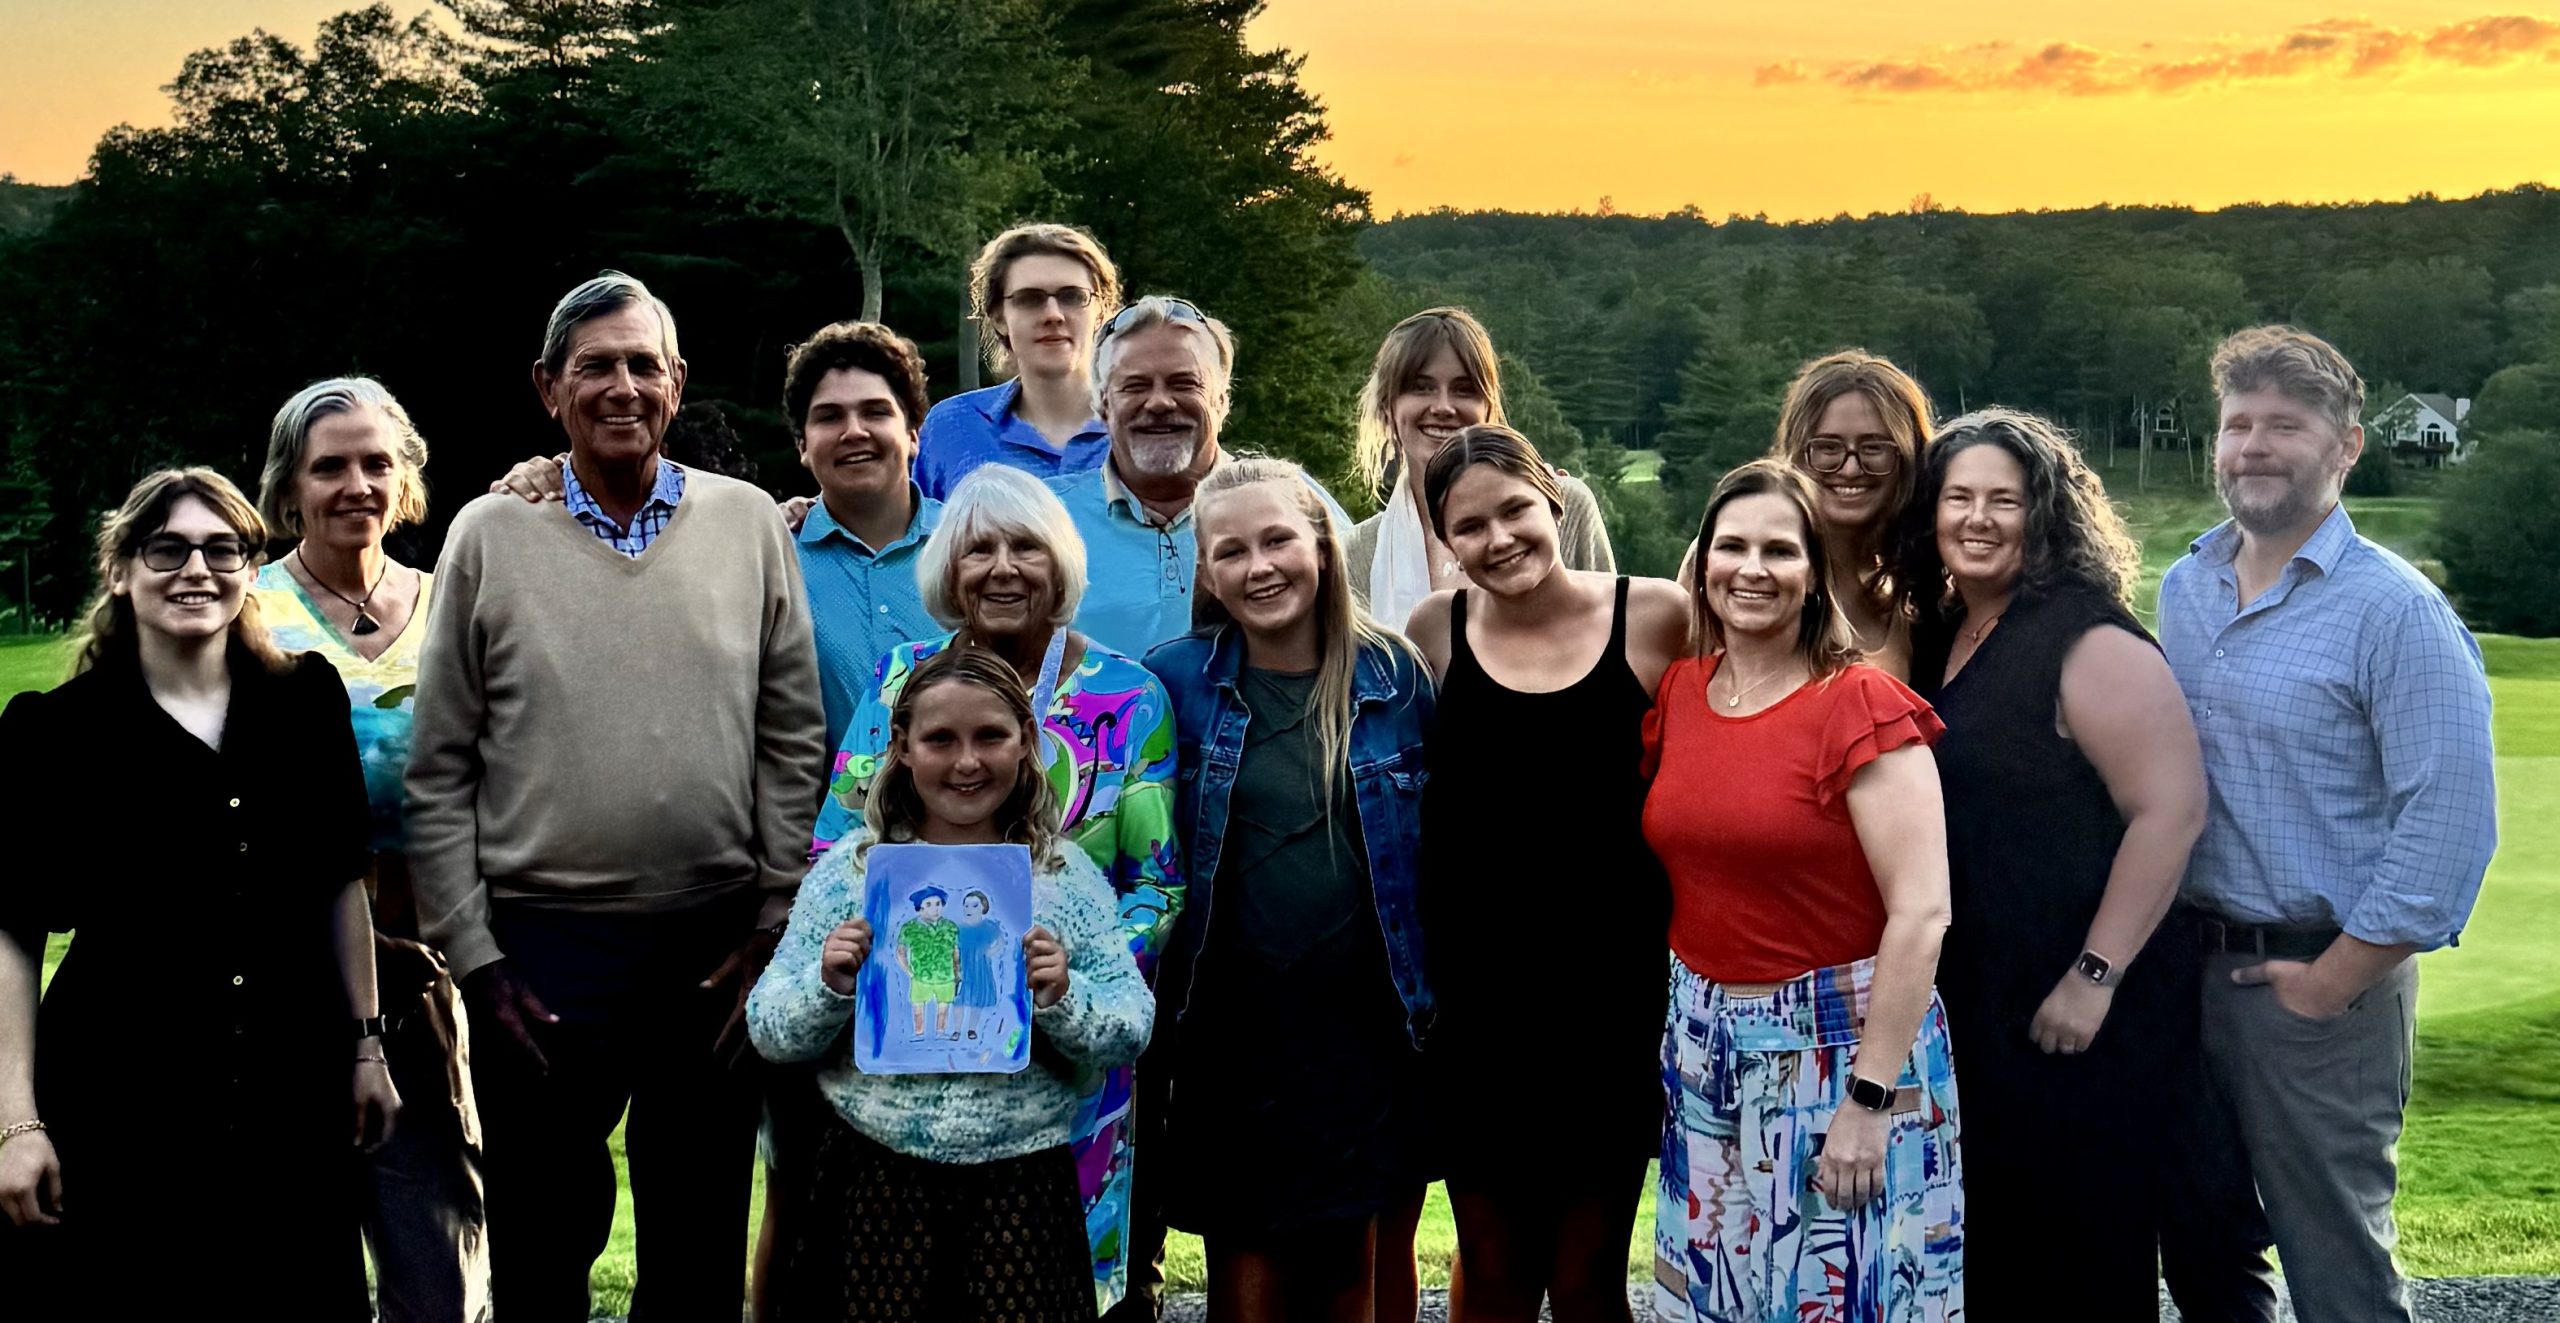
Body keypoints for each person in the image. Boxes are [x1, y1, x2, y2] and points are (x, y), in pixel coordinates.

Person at [406, 271, 827, 1321]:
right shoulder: (488, 534)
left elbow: (792, 735)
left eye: (644, 364)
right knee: (541, 1251)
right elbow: (440, 762)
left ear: (677, 382)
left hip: (713, 943)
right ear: (549, 387)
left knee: (697, 1250)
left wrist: (775, 915)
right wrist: (476, 957)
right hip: (541, 948)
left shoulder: (747, 524)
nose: (623, 386)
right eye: (596, 366)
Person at [2158, 327, 2496, 1323]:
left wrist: (2331, 981)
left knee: (2336, 1263)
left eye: (2285, 426)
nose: (2254, 447)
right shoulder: (2187, 586)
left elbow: (2448, 825)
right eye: (2238, 425)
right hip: (2187, 975)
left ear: (2346, 446)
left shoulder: (2395, 613)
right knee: (2206, 1246)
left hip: (2319, 984)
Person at [0, 468, 395, 1317]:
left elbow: (341, 884)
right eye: (167, 549)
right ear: (120, 570)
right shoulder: (53, 731)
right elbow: (14, 933)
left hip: (293, 1092)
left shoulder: (306, 702)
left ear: (250, 569)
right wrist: (17, 1122)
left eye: (223, 550)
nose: (196, 570)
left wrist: (368, 1047)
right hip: (121, 1102)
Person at [811, 462, 1182, 1314]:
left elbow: (1157, 887)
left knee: (1052, 1290)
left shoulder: (1129, 699)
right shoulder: (899, 679)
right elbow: (837, 847)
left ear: (1062, 563)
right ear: (949, 569)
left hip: (1064, 1052)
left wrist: (1064, 980)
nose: (1003, 568)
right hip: (911, 1052)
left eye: (1027, 547)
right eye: (979, 549)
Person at [1892, 408, 2205, 1318]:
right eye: (1958, 497)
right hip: (1981, 1002)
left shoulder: (2086, 637)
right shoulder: (1945, 630)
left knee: (2080, 1255)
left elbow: (2172, 809)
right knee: (1992, 1255)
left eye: (2005, 499)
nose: (1978, 518)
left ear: (2047, 514)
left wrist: (2094, 975)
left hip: (2075, 1010)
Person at [748, 645, 1153, 1322]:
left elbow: (1130, 1025)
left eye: (990, 736)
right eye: (941, 739)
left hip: (1022, 1187)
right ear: (901, 746)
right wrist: (828, 985)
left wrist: (1064, 995)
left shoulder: (1064, 878)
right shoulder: (852, 875)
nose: (967, 762)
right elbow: (770, 1026)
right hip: (872, 1177)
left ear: (1026, 740)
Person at [1646, 459, 1963, 1323]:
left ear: (1815, 572)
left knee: (1838, 1298)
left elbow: (1922, 912)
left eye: (1780, 550)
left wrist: (1869, 1097)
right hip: (1703, 1042)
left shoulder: (1860, 704)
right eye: (1733, 546)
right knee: (1712, 1300)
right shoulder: (1682, 691)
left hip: (1839, 1049)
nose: (1753, 569)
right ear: (1703, 563)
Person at [1401, 425, 1690, 1323]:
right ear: (1445, 540)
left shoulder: (1657, 616)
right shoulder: (1434, 631)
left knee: (1590, 1275)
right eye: (1469, 525)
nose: (1498, 538)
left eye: (1515, 509)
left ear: (1554, 501)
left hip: (1613, 1002)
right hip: (1478, 1007)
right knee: (1493, 1270)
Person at [1144, 457, 1438, 1323]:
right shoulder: (1174, 682)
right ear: (1206, 571)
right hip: (1231, 1029)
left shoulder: (1396, 676)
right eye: (1231, 551)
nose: (1259, 566)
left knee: (1348, 1275)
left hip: (1363, 1027)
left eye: (1277, 539)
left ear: (1320, 544)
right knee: (1250, 1283)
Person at [253, 377, 490, 1322]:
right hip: (289, 961)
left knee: (436, 1247)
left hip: (433, 957)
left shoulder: (450, 602)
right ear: (289, 486)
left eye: (376, 463)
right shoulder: (247, 610)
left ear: (404, 481)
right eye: (329, 467)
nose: (356, 484)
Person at [491, 320, 946, 758]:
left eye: (875, 412)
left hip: (972, 808)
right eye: (829, 417)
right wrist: (560, 475)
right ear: (803, 446)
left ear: (913, 434)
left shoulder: (968, 548)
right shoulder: (760, 554)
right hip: (815, 814)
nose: (854, 431)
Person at [1050, 294, 1349, 659]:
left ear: (1222, 401)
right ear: (1103, 406)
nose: (1159, 403)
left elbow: (1359, 636)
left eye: (1184, 383)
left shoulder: (1296, 503)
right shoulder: (1043, 520)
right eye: (1135, 386)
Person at [1344, 306, 1613, 632]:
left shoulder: (1566, 508)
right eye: (1421, 387)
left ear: (1488, 407)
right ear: (1388, 409)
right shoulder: (1356, 554)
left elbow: (1615, 633)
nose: (1443, 407)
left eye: (1464, 389)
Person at [1677, 349, 1935, 678]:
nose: (1851, 469)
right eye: (1828, 447)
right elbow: (1678, 679)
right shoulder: (1731, 563)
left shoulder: (1912, 586)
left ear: (1909, 458)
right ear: (1796, 452)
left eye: (1874, 448)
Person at [914, 222, 1122, 498]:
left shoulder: (1140, 424)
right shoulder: (952, 428)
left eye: (1072, 296)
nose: (1053, 315)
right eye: (1029, 299)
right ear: (998, 317)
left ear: (1101, 311)